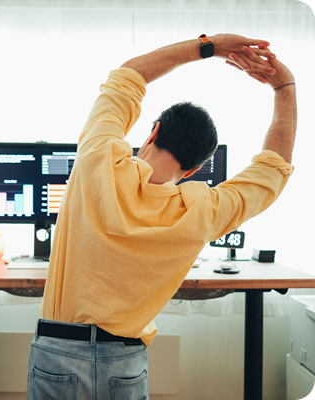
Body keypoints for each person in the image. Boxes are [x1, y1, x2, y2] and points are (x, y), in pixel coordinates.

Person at [26, 33, 296, 399]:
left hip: (58, 352)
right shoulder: (201, 211)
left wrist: (210, 46)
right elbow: (273, 170)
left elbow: (129, 76)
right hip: (123, 362)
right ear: (195, 169)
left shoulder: (98, 158)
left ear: (153, 131)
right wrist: (284, 87)